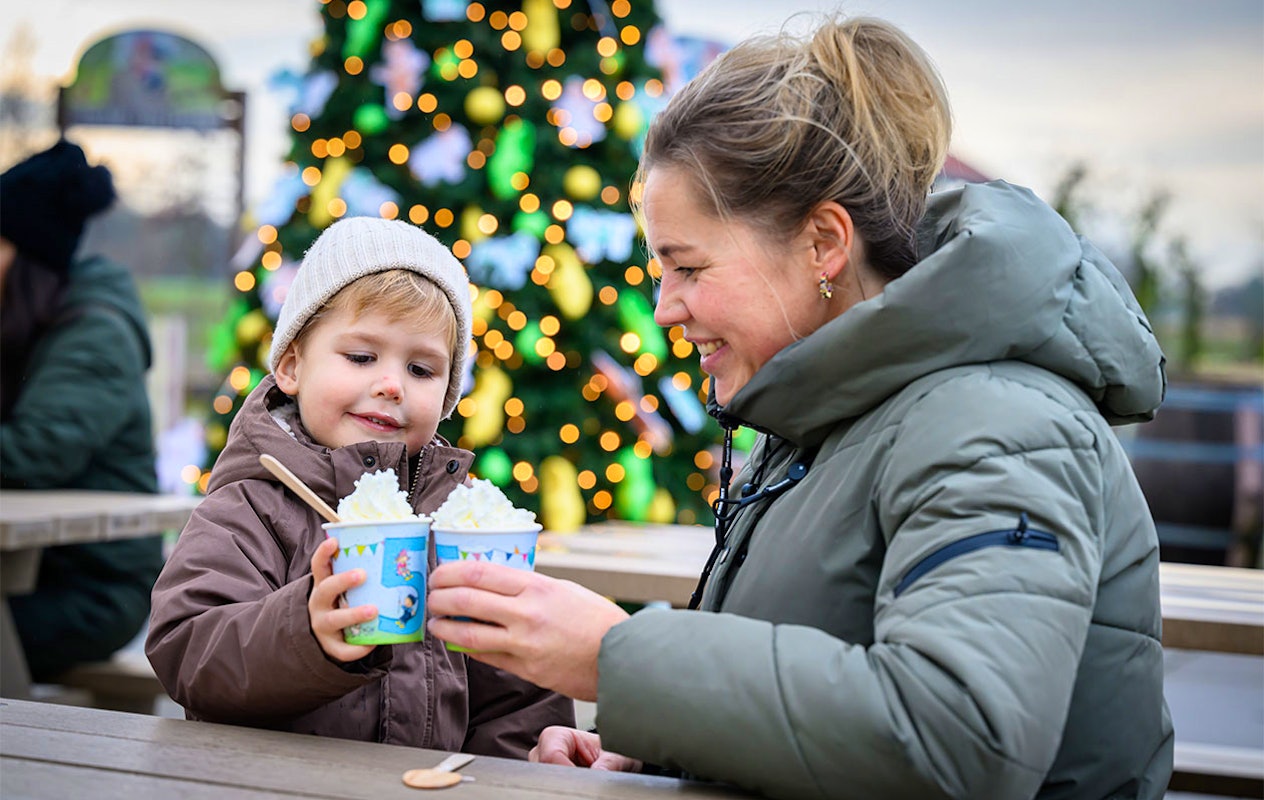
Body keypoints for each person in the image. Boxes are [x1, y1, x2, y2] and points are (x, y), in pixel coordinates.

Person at [426, 14, 1173, 798]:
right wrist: (660, 754)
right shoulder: (819, 425)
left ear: (823, 243)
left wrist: (617, 657)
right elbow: (817, 707)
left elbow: (963, 738)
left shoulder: (1000, 423)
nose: (665, 308)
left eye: (686, 267)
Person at [145, 217, 573, 754]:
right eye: (361, 357)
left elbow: (515, 699)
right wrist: (307, 631)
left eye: (421, 369)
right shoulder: (251, 504)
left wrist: (532, 755)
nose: (391, 384)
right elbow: (187, 647)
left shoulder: (459, 524)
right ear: (293, 365)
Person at [0, 139, 165, 682]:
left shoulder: (95, 332)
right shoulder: (27, 323)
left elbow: (31, 453)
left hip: (90, 590)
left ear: (27, 256)